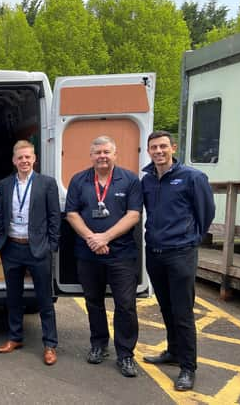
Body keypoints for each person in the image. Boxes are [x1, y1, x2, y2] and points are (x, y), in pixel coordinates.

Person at [141, 131, 215, 391]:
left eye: (163, 146)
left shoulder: (192, 177)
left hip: (181, 253)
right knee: (166, 308)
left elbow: (206, 213)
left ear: (173, 147)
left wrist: (190, 239)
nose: (158, 151)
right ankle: (173, 351)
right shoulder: (148, 179)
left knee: (183, 313)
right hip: (155, 253)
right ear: (148, 150)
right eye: (154, 147)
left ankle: (188, 367)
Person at [65, 136, 142, 377]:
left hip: (121, 254)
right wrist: (92, 239)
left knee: (126, 305)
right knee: (93, 302)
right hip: (88, 254)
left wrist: (105, 237)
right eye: (97, 152)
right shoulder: (79, 180)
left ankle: (126, 354)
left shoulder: (129, 180)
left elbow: (133, 215)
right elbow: (72, 214)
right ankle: (98, 344)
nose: (102, 156)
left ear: (115, 154)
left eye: (106, 151)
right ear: (91, 156)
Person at [0, 140, 60, 365]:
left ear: (34, 159)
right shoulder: (4, 185)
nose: (24, 161)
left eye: (28, 157)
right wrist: (1, 239)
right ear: (14, 160)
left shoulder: (47, 184)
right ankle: (15, 338)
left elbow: (54, 217)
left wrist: (52, 246)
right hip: (12, 247)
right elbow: (0, 215)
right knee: (13, 297)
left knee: (44, 299)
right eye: (20, 157)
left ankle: (50, 344)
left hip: (38, 249)